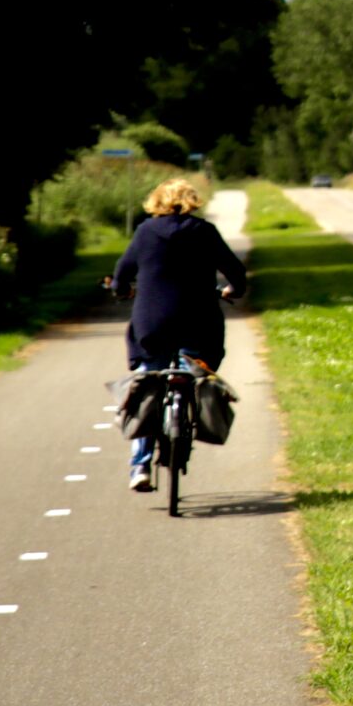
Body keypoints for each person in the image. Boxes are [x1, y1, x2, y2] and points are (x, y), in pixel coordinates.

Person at [103, 178, 247, 491]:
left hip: (153, 324)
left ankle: (139, 466)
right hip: (199, 321)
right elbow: (235, 271)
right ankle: (189, 420)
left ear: (156, 202)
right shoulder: (204, 231)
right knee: (196, 371)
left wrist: (121, 289)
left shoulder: (144, 232)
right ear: (193, 201)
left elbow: (122, 274)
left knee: (148, 383)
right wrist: (233, 289)